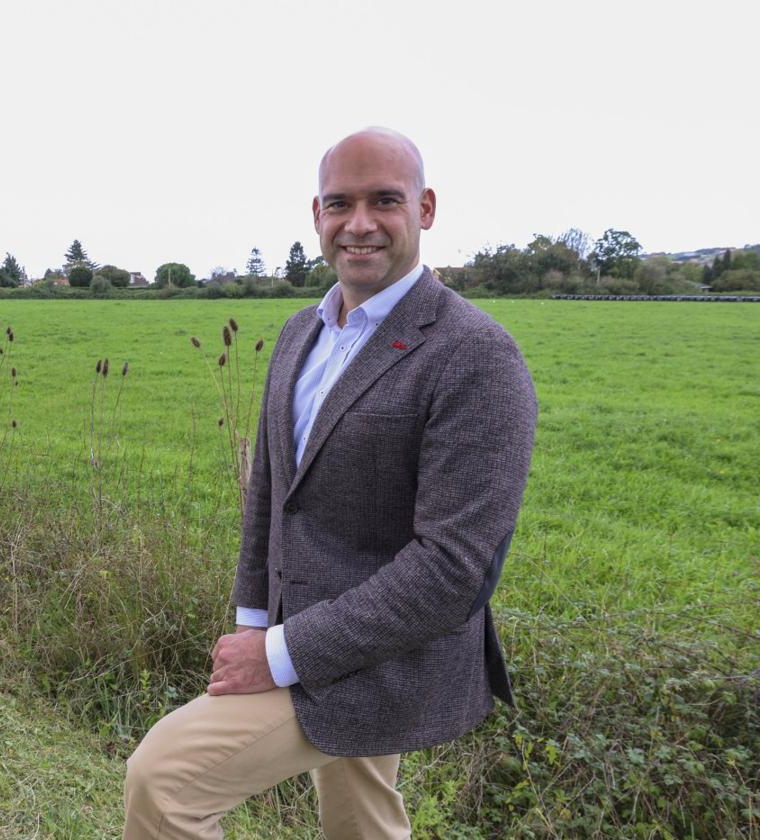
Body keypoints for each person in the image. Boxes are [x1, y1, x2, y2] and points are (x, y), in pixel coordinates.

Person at [123, 128, 538, 838]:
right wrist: (252, 623)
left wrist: (278, 655)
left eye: (385, 200)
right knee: (362, 823)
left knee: (165, 781)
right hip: (299, 628)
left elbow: (451, 569)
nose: (360, 223)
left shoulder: (476, 355)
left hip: (389, 657)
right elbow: (270, 493)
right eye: (339, 203)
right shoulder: (300, 333)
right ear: (316, 214)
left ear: (426, 208)